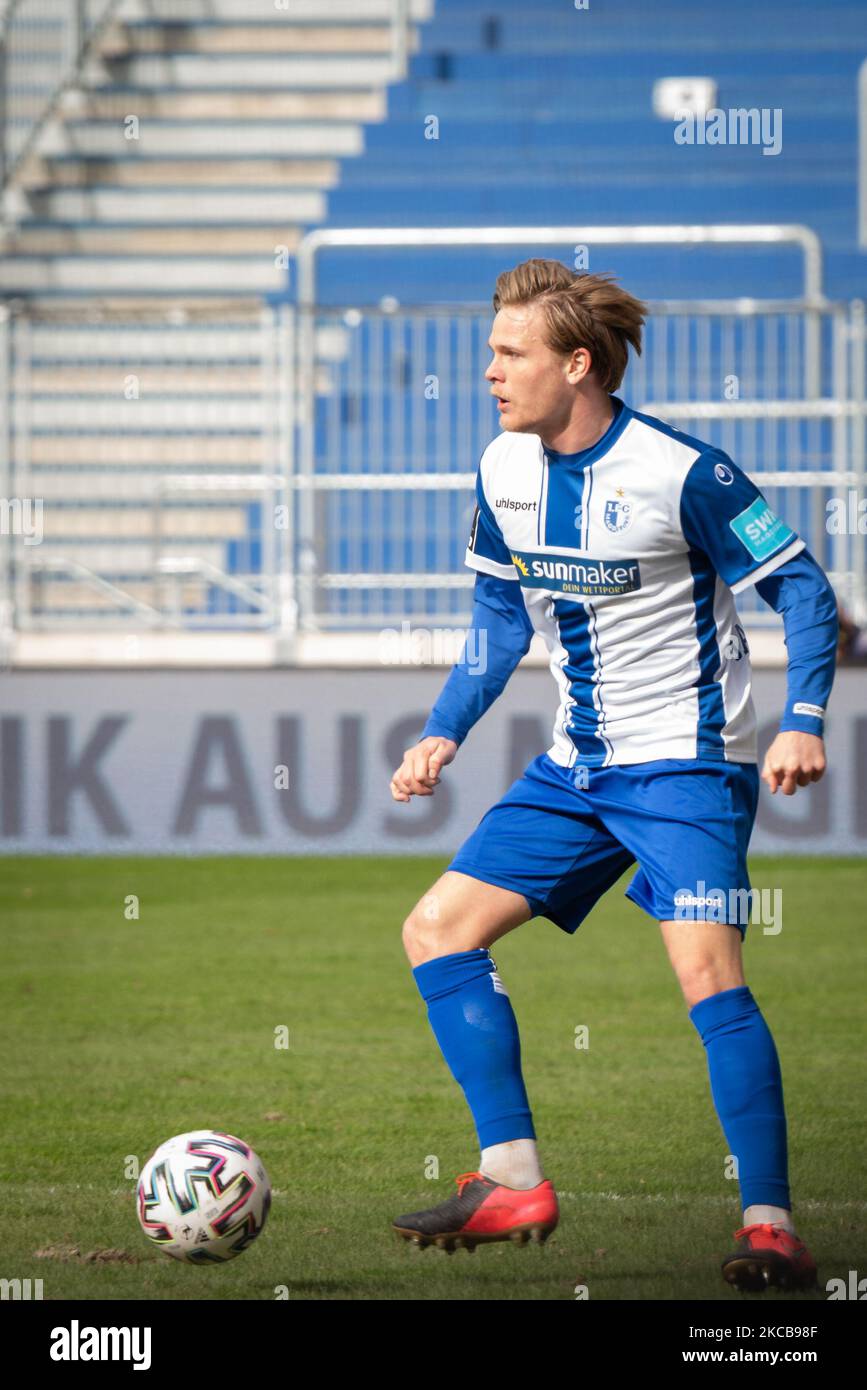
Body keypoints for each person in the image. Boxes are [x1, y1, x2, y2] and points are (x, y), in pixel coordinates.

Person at [388, 259, 838, 1292]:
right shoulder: (500, 469)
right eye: (490, 351)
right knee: (434, 930)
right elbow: (499, 624)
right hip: (575, 770)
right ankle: (511, 1179)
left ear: (577, 363)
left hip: (688, 768)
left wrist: (803, 718)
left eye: (511, 353)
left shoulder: (688, 472)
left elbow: (806, 595)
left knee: (708, 976)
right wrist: (442, 731)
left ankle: (771, 1227)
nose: (490, 372)